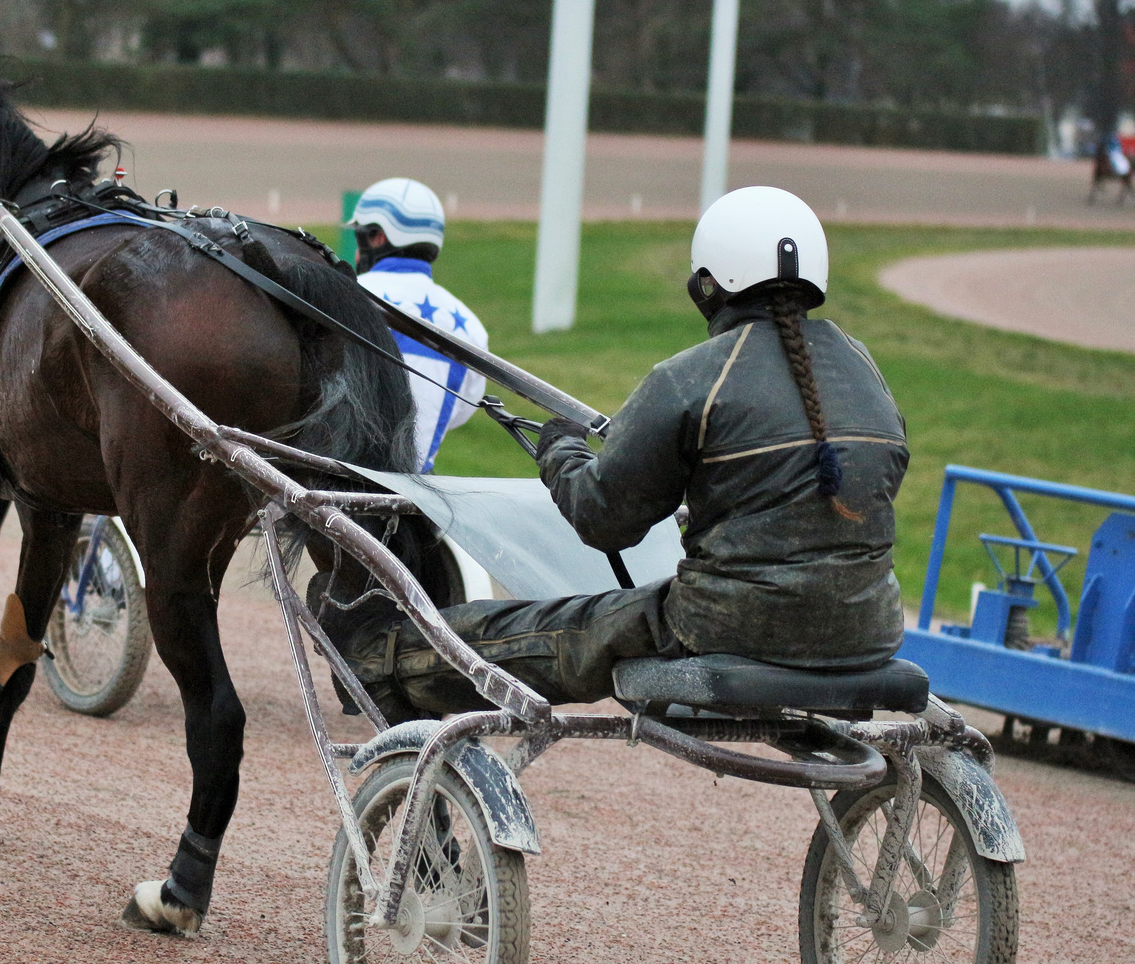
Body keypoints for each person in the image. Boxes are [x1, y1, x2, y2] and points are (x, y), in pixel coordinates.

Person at [327, 186, 910, 721]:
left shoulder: (692, 379)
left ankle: (382, 657)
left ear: (707, 283)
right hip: (871, 628)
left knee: (528, 630)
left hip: (723, 626)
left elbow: (603, 519)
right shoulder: (867, 370)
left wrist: (560, 449)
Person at [349, 178, 487, 473]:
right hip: (416, 505)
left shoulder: (343, 295)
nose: (357, 254)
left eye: (360, 239)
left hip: (329, 497)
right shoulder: (470, 329)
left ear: (378, 237)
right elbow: (462, 411)